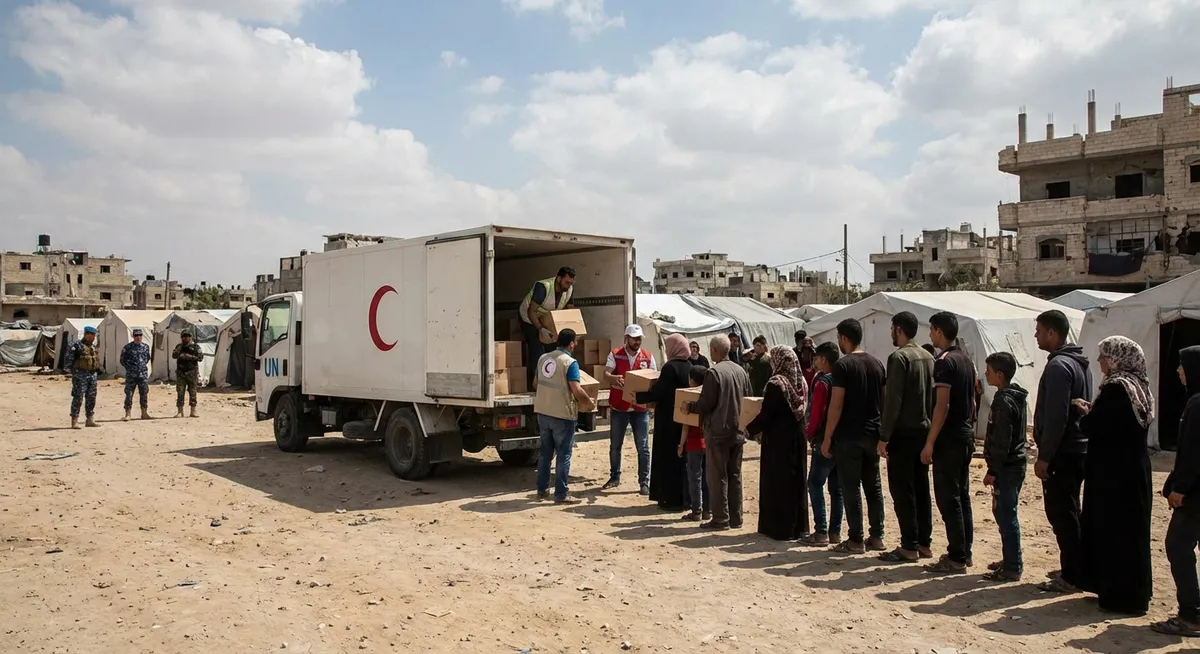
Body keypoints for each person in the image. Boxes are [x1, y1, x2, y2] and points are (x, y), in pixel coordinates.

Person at [1070, 336, 1153, 613]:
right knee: (1130, 532)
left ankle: (1120, 595)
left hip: (1114, 475)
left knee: (1115, 531)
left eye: (1105, 355)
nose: (1100, 361)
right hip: (1131, 470)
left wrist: (1084, 416)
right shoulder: (1137, 386)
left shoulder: (1117, 388)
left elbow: (1098, 426)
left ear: (1118, 358)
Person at [1033, 309, 1092, 593]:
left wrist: (1045, 456)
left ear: (1052, 333)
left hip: (1063, 451)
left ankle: (1072, 575)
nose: (1036, 336)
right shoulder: (1079, 364)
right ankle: (1075, 565)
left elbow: (1056, 416)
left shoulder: (1059, 366)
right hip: (1077, 448)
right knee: (1071, 510)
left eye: (1039, 331)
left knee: (1061, 512)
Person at [821, 318, 886, 554]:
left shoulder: (843, 366)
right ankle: (877, 536)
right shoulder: (877, 363)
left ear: (844, 338)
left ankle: (856, 539)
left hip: (849, 435)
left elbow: (836, 405)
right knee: (874, 487)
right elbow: (883, 399)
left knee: (851, 488)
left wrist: (827, 437)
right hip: (872, 433)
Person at [922, 312, 977, 575]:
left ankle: (956, 556)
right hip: (964, 434)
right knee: (962, 496)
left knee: (948, 497)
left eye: (932, 330)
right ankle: (965, 551)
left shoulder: (943, 362)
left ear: (940, 332)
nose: (930, 335)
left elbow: (941, 406)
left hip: (950, 437)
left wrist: (930, 442)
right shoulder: (965, 359)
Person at [877, 311, 935, 564]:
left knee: (902, 490)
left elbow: (893, 400)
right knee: (922, 489)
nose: (891, 333)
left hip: (903, 432)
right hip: (924, 431)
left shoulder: (899, 358)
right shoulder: (928, 356)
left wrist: (884, 435)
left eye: (892, 328)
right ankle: (924, 543)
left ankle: (908, 545)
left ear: (898, 329)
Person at [681, 334, 751, 531]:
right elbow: (749, 398)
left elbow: (706, 403)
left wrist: (689, 406)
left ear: (713, 350)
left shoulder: (714, 373)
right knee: (735, 475)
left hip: (718, 431)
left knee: (717, 476)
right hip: (738, 430)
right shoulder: (740, 371)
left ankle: (720, 519)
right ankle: (736, 519)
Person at [1155, 346, 1200, 637]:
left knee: (1178, 546)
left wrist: (1180, 488)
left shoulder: (1197, 405)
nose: (1178, 370)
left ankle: (1191, 616)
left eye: (1183, 365)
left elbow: (1193, 452)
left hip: (1195, 495)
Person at [746, 346, 810, 541]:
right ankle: (799, 527)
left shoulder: (777, 383)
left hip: (778, 441)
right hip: (798, 438)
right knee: (796, 481)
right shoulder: (802, 384)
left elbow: (767, 414)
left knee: (778, 483)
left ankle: (780, 528)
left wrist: (749, 429)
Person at [981, 352, 1028, 582]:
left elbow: (1002, 441)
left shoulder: (1004, 402)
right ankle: (1010, 558)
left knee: (1006, 514)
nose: (985, 374)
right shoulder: (1014, 397)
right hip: (1014, 464)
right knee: (1003, 512)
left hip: (1008, 467)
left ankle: (1012, 566)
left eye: (988, 371)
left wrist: (993, 471)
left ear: (999, 375)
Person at [533, 328, 594, 504]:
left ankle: (542, 490)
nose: (575, 345)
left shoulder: (543, 358)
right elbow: (576, 389)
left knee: (545, 453)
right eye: (575, 342)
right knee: (563, 455)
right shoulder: (570, 363)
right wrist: (588, 403)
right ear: (571, 343)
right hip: (562, 415)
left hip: (543, 412)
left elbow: (535, 383)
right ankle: (561, 494)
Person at [636, 334, 692, 511]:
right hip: (683, 420)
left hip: (668, 420)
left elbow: (659, 393)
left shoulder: (670, 368)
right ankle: (684, 499)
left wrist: (637, 396)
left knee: (667, 459)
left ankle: (669, 499)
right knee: (681, 460)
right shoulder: (690, 366)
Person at [603, 324, 657, 494]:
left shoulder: (648, 357)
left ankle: (644, 482)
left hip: (640, 409)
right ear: (626, 338)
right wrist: (614, 378)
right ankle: (615, 476)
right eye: (634, 338)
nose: (637, 341)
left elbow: (654, 378)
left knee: (643, 447)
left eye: (639, 338)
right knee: (615, 445)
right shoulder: (615, 354)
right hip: (620, 407)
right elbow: (606, 375)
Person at [801, 342, 843, 546]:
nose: (814, 362)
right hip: (841, 439)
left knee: (815, 484)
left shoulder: (822, 383)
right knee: (836, 488)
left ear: (824, 359)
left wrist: (809, 433)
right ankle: (835, 531)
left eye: (816, 358)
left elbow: (817, 414)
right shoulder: (842, 380)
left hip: (824, 439)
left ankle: (821, 531)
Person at [519, 267, 576, 388]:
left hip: (547, 320)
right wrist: (540, 328)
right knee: (537, 349)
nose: (568, 285)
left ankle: (550, 381)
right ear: (559, 278)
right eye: (566, 282)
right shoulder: (543, 287)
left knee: (553, 349)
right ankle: (534, 385)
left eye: (571, 283)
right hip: (529, 319)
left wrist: (573, 331)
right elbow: (531, 311)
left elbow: (570, 310)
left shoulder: (569, 289)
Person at [678, 365, 711, 522]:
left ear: (691, 380)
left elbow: (685, 426)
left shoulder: (689, 396)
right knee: (708, 478)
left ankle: (696, 511)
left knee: (694, 478)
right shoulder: (709, 396)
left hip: (693, 443)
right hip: (708, 442)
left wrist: (680, 445)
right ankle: (707, 511)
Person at [66, 325, 102, 429]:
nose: (93, 337)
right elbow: (69, 360)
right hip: (80, 375)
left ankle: (90, 419)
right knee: (78, 397)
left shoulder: (93, 346)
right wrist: (73, 372)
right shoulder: (77, 345)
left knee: (91, 398)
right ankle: (74, 421)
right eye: (91, 335)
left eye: (94, 335)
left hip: (92, 375)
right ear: (86, 334)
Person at [120, 327, 152, 421]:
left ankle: (144, 413)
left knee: (144, 393)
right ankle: (128, 414)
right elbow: (122, 360)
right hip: (131, 375)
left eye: (140, 335)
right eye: (136, 335)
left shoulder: (145, 347)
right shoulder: (128, 347)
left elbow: (147, 358)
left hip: (143, 375)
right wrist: (130, 368)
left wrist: (141, 367)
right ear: (133, 336)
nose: (138, 337)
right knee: (129, 394)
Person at [173, 331, 204, 418]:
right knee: (180, 392)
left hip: (192, 373)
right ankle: (180, 411)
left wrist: (190, 357)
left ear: (191, 337)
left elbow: (201, 357)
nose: (186, 338)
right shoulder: (179, 346)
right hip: (181, 373)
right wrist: (179, 354)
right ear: (181, 337)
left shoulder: (195, 347)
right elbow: (174, 355)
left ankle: (193, 411)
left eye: (188, 336)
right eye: (184, 336)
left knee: (193, 392)